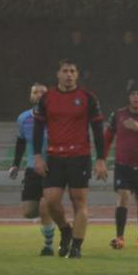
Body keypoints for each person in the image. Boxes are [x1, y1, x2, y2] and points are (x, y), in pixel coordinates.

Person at [32, 59, 108, 259]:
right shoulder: (47, 98)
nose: (69, 74)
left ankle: (76, 247)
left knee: (79, 202)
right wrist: (37, 156)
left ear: (77, 74)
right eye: (65, 71)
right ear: (58, 74)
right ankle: (65, 230)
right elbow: (38, 128)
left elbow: (98, 131)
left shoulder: (88, 98)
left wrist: (101, 158)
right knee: (51, 202)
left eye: (72, 71)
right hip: (54, 157)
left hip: (79, 157)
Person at [104, 88, 138, 250]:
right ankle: (119, 237)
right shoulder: (118, 115)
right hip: (123, 165)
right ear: (128, 97)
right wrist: (102, 159)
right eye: (133, 94)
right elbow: (108, 137)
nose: (136, 97)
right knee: (123, 197)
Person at [9, 83, 54, 255]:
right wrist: (15, 164)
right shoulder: (23, 118)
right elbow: (21, 142)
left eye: (43, 92)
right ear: (31, 96)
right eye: (36, 92)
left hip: (52, 169)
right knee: (29, 212)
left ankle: (48, 245)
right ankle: (56, 221)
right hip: (31, 169)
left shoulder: (56, 117)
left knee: (45, 205)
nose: (39, 94)